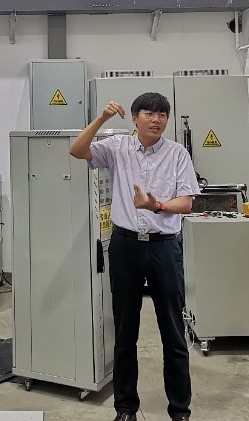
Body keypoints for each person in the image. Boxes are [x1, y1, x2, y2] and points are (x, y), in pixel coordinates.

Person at [70, 93, 197, 421]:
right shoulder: (117, 147)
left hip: (164, 247)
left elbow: (186, 203)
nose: (156, 120)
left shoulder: (177, 153)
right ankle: (125, 407)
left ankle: (180, 410)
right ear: (135, 118)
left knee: (173, 331)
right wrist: (101, 119)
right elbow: (77, 150)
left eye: (162, 115)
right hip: (126, 246)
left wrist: (157, 205)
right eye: (149, 114)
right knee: (125, 331)